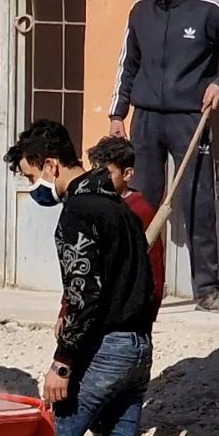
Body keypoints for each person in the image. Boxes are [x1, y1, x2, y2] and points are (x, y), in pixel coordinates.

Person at [3, 120, 155, 436]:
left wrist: (63, 362)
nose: (33, 188)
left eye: (31, 177)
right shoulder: (121, 208)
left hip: (104, 352)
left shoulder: (80, 212)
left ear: (50, 164)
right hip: (138, 349)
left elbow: (85, 295)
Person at [108, 0, 219, 315]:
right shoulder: (140, 12)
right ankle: (137, 287)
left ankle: (207, 290)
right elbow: (128, 63)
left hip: (190, 120)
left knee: (197, 203)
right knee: (141, 203)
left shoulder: (209, 10)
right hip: (145, 120)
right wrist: (117, 114)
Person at [87, 136, 165, 321]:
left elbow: (154, 266)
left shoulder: (140, 211)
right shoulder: (93, 205)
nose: (99, 179)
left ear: (127, 174)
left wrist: (149, 312)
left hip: (127, 310)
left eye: (107, 173)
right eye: (95, 171)